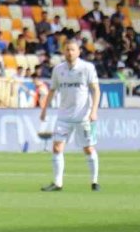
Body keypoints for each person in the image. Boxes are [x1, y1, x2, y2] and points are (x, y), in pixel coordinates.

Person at [39, 39, 101, 192]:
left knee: (88, 148)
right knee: (57, 148)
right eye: (67, 49)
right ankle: (58, 183)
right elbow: (52, 90)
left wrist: (94, 111)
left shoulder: (87, 67)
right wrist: (44, 109)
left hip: (83, 117)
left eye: (72, 49)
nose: (69, 52)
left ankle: (94, 182)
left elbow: (96, 90)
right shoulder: (58, 69)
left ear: (79, 51)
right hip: (64, 117)